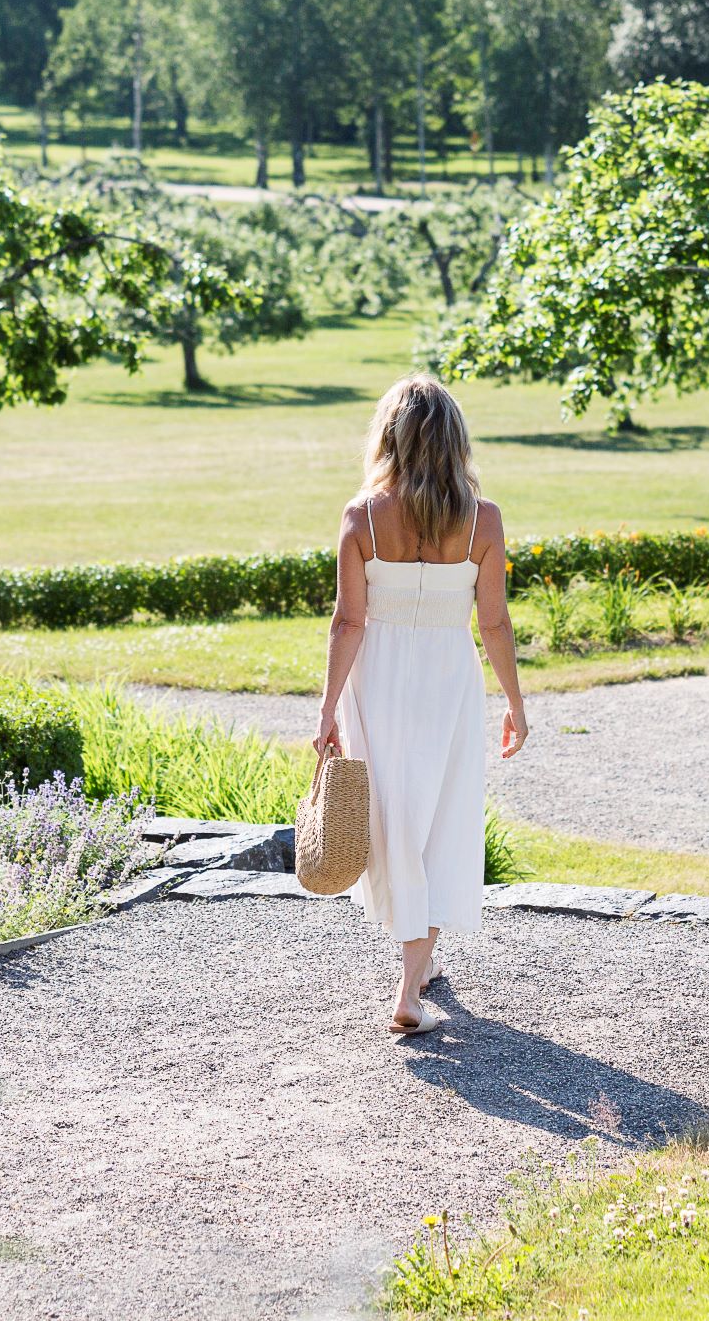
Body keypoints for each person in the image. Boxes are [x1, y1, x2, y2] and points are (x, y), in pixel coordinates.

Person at [313, 375, 529, 1037]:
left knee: (393, 821)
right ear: (453, 438)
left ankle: (416, 969)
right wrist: (517, 704)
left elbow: (349, 622)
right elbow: (494, 622)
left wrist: (325, 711)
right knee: (440, 820)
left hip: (376, 680)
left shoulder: (362, 516)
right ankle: (411, 984)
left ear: (391, 437)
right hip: (448, 680)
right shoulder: (483, 519)